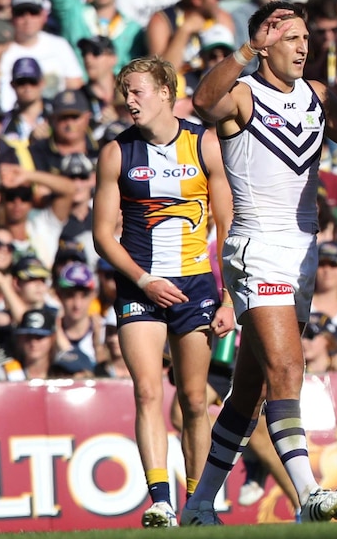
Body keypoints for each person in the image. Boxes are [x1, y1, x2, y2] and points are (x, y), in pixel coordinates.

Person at [184, 1, 337, 525]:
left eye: (306, 37)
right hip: (257, 246)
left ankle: (199, 506)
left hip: (303, 251)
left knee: (253, 388)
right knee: (288, 367)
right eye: (291, 37)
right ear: (265, 43)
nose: (303, 46)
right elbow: (202, 101)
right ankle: (309, 494)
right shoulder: (243, 94)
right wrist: (245, 51)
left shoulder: (318, 95)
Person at [92, 56, 235, 528]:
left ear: (166, 92)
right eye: (125, 93)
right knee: (148, 392)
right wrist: (145, 280)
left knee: (194, 400)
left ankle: (198, 503)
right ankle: (160, 501)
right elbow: (102, 235)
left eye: (137, 92)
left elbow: (227, 226)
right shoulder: (117, 152)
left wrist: (230, 297)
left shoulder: (204, 144)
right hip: (142, 285)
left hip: (195, 285)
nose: (129, 101)